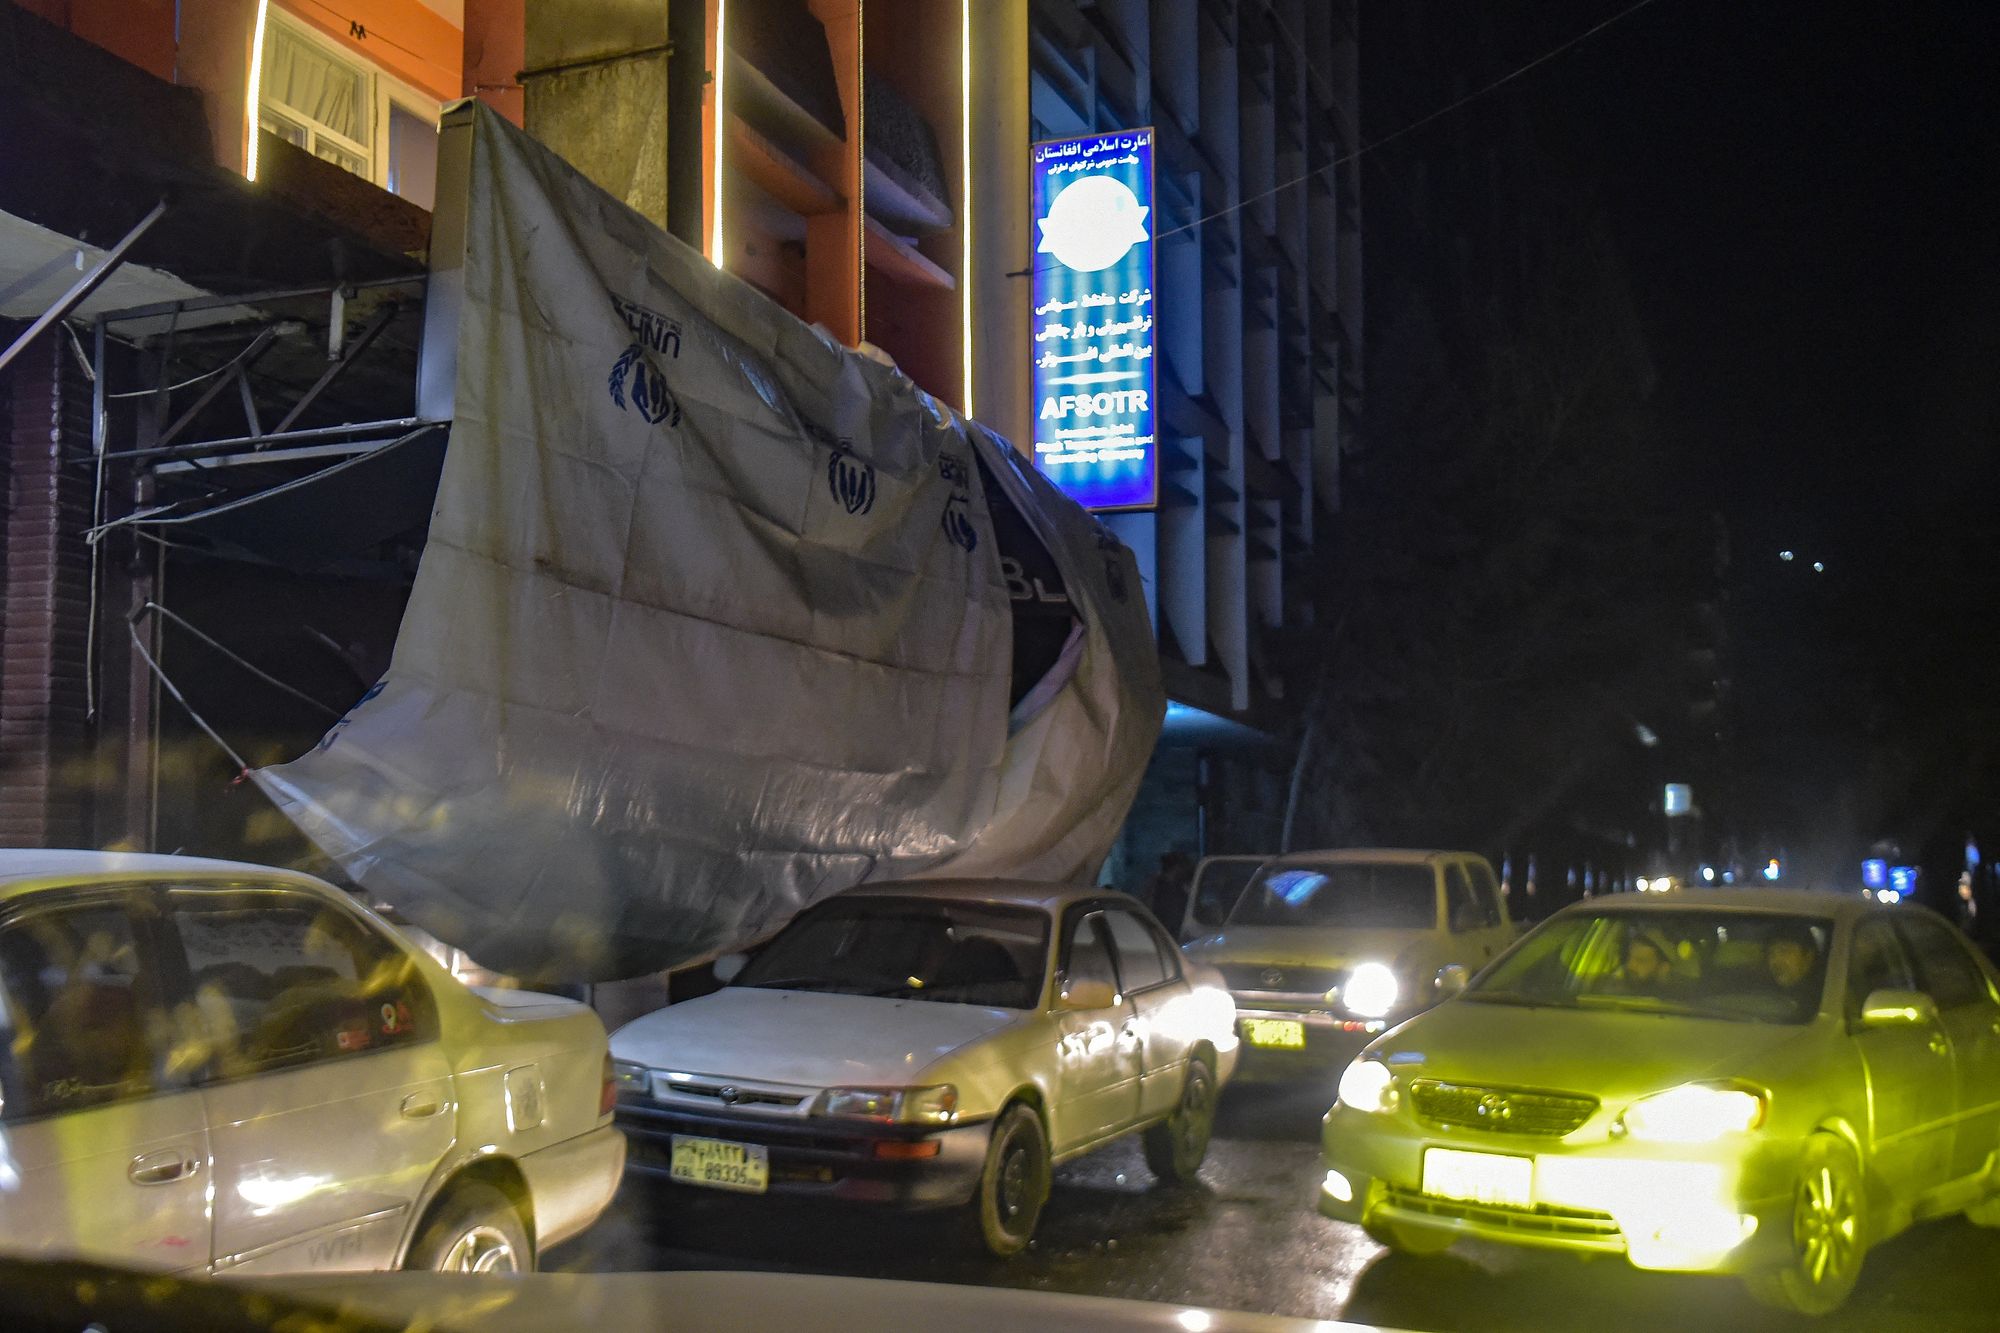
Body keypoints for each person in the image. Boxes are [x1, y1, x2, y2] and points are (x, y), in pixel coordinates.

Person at [1145, 852, 1194, 934]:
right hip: (1163, 931)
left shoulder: (1180, 886)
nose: (1185, 870)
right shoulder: (1158, 886)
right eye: (1183, 867)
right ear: (1176, 867)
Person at [1764, 924, 1820, 993]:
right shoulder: (1768, 994)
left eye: (1784, 951)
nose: (1775, 961)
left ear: (1808, 956)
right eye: (1771, 953)